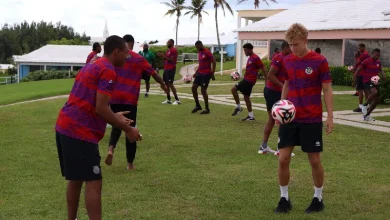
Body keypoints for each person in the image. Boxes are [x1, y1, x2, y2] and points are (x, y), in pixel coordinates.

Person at [55, 35, 142, 220]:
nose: (128, 57)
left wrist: (115, 116)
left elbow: (94, 102)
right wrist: (128, 130)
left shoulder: (93, 64)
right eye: (126, 53)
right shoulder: (108, 70)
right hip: (79, 132)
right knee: (94, 181)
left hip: (64, 126)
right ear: (116, 52)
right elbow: (100, 108)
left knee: (76, 179)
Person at [275, 23, 334, 214]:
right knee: (283, 159)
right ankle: (284, 198)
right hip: (290, 118)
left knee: (314, 160)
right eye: (290, 45)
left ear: (306, 41)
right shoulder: (287, 61)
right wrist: (279, 110)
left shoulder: (320, 61)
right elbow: (286, 85)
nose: (293, 48)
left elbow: (326, 89)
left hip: (311, 118)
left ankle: (318, 198)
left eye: (297, 44)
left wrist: (330, 116)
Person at [105, 35, 167, 170]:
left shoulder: (116, 57)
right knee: (130, 129)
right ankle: (130, 164)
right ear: (132, 44)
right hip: (130, 98)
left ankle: (111, 149)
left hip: (114, 97)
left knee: (117, 124)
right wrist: (163, 84)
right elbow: (153, 74)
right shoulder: (138, 58)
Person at [258, 41, 291, 154]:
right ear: (286, 48)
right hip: (273, 92)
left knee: (272, 120)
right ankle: (280, 148)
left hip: (274, 91)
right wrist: (283, 87)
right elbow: (270, 75)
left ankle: (264, 146)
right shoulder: (279, 58)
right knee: (281, 120)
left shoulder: (288, 58)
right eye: (291, 46)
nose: (293, 48)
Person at [231, 43, 267, 121]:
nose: (245, 52)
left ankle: (239, 107)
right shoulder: (250, 57)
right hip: (247, 79)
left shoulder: (255, 58)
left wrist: (266, 79)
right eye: (244, 51)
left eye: (245, 50)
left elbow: (263, 67)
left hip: (249, 81)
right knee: (246, 97)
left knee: (233, 89)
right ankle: (251, 116)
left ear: (250, 49)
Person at [355, 48, 386, 121]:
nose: (377, 57)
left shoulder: (378, 62)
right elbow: (358, 70)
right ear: (372, 54)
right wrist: (355, 80)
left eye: (378, 55)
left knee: (376, 101)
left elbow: (380, 69)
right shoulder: (366, 61)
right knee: (374, 92)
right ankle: (365, 105)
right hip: (367, 81)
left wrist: (383, 75)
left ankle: (367, 116)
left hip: (375, 82)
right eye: (376, 55)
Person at [191, 41, 216, 114]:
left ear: (201, 45)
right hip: (199, 74)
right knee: (193, 88)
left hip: (206, 74)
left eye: (198, 47)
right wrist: (196, 73)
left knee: (203, 90)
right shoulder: (199, 53)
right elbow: (201, 64)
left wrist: (212, 73)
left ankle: (207, 108)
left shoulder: (207, 52)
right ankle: (198, 105)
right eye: (196, 48)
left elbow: (214, 62)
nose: (197, 49)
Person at [158, 39, 181, 105]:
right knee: (166, 84)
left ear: (171, 43)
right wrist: (161, 56)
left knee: (170, 84)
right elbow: (165, 59)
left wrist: (164, 57)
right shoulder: (168, 51)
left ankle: (177, 100)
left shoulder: (174, 50)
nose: (167, 43)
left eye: (168, 42)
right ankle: (168, 99)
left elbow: (172, 60)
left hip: (171, 69)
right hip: (166, 69)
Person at [352, 44, 370, 112]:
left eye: (359, 48)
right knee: (366, 91)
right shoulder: (367, 54)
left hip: (360, 74)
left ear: (363, 47)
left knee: (360, 91)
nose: (358, 49)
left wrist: (356, 57)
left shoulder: (363, 55)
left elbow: (357, 63)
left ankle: (360, 106)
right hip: (365, 74)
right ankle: (367, 106)